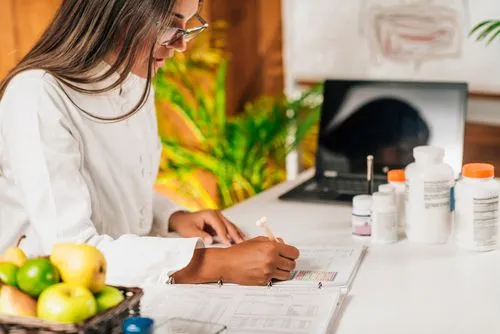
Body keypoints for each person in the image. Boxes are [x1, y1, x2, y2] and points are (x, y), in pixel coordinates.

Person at [0, 0, 299, 286]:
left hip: (122, 290)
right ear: (119, 15)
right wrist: (215, 264)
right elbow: (72, 253)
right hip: (45, 303)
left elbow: (112, 185)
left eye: (186, 26)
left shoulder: (135, 80)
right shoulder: (37, 96)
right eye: (171, 26)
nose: (181, 45)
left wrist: (172, 217)